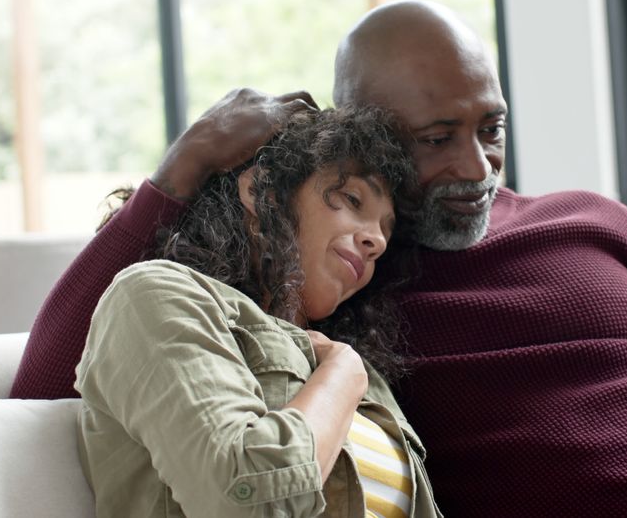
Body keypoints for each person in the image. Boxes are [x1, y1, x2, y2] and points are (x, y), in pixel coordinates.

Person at [13, 0, 627, 516]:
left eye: (490, 128)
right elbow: (44, 391)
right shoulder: (331, 293)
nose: (477, 169)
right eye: (434, 140)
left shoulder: (594, 222)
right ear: (365, 136)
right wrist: (179, 173)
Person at [75, 106, 439, 517]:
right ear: (263, 191)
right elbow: (242, 500)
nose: (377, 240)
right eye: (352, 199)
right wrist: (341, 374)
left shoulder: (365, 378)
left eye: (385, 230)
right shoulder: (155, 295)